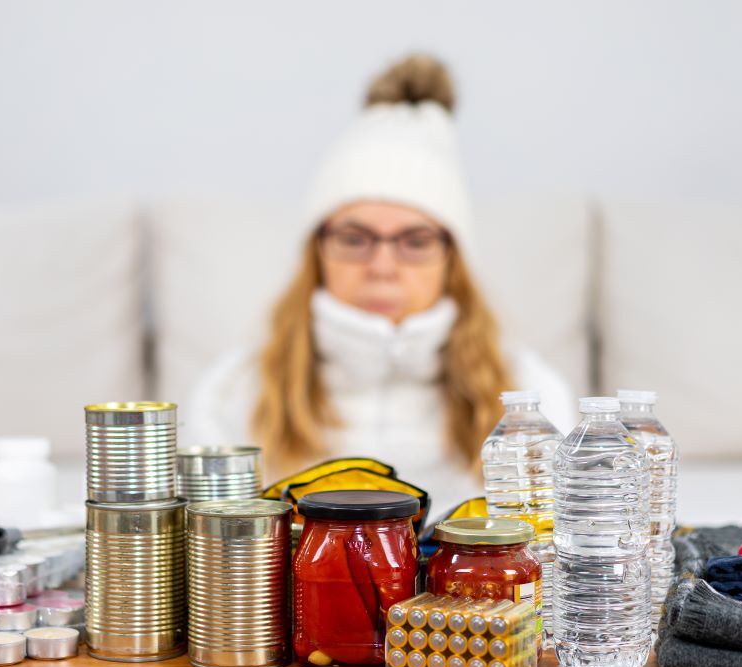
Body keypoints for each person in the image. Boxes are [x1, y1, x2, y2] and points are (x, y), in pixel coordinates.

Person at [185, 54, 574, 515]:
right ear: (317, 251)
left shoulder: (529, 394)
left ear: (451, 258)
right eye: (355, 238)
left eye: (415, 240)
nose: (383, 265)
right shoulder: (233, 391)